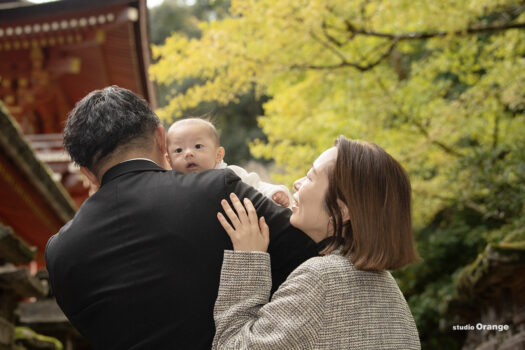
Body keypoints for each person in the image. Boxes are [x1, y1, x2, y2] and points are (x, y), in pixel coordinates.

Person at [44, 86, 318, 350]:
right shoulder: (218, 192)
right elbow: (316, 248)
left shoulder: (60, 253)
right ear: (161, 139)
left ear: (87, 173)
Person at [212, 137, 421, 349]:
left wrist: (248, 260)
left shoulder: (321, 279)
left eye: (310, 177)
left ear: (341, 209)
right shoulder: (389, 289)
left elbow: (232, 345)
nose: (297, 183)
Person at [166, 117, 292, 207]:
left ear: (218, 154)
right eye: (178, 150)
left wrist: (274, 192)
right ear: (169, 161)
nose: (188, 153)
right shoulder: (173, 186)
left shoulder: (230, 174)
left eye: (198, 146)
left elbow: (256, 185)